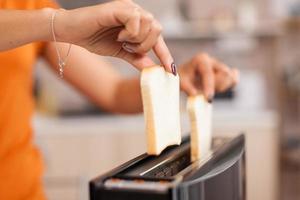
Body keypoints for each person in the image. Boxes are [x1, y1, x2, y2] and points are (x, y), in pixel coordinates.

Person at [0, 0, 239, 199]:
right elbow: (57, 24)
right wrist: (58, 22)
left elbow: (114, 91)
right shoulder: (49, 19)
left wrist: (178, 79)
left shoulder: (28, 3)